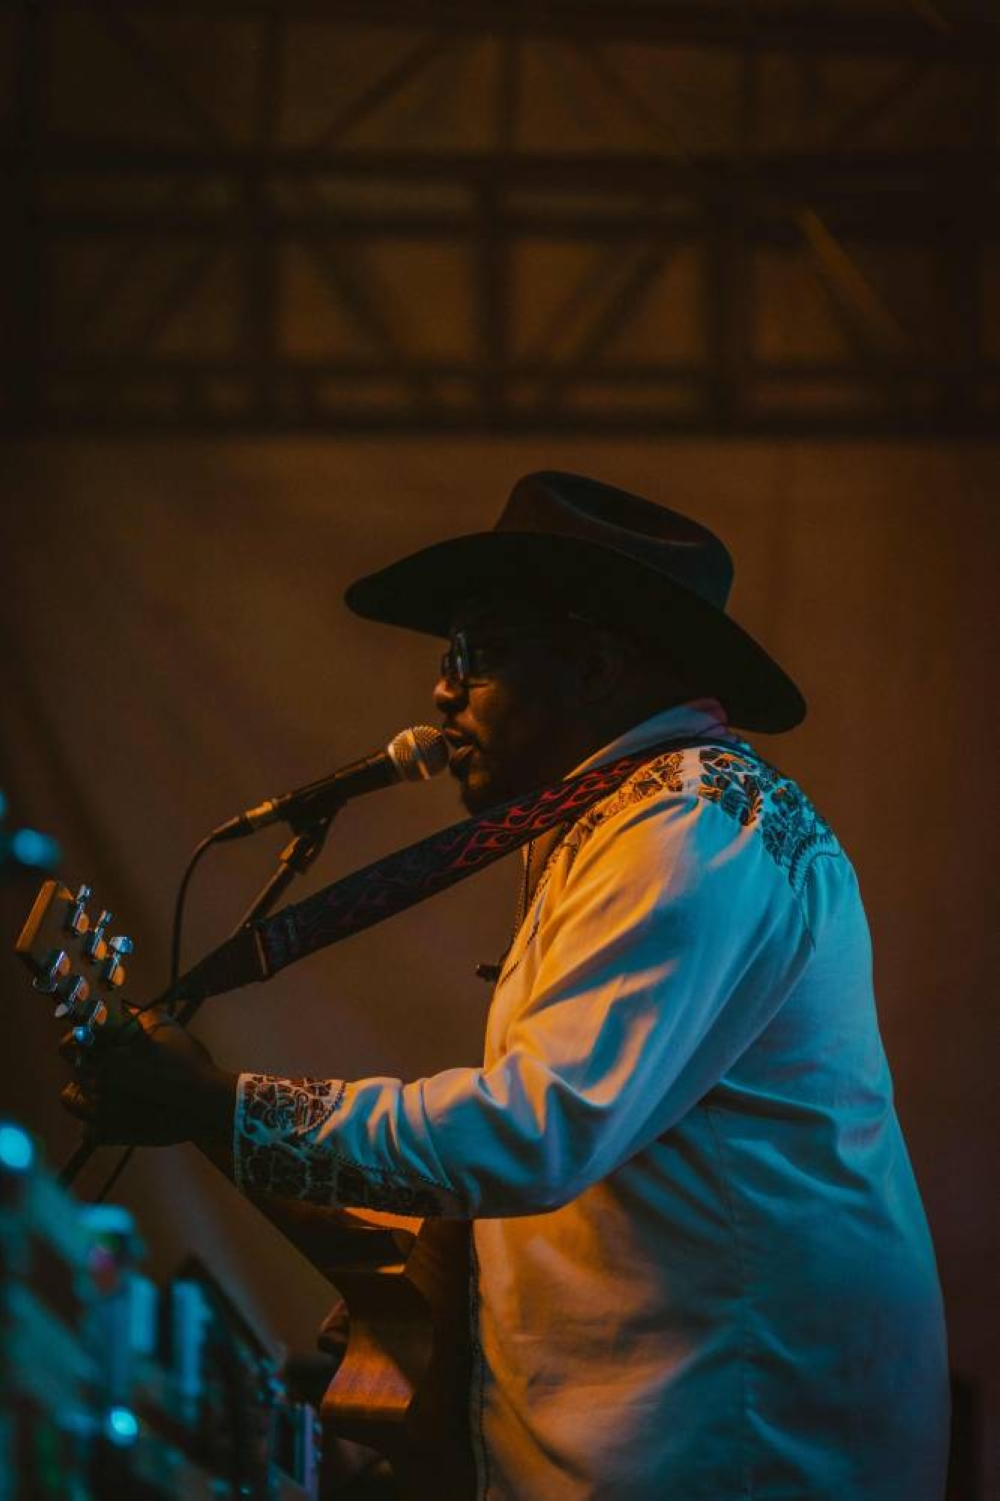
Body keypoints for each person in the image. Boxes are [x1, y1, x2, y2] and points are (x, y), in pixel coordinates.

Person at [63, 473, 950, 1499]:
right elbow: (601, 1146)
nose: (441, 691)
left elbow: (537, 1132)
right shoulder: (639, 815)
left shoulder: (690, 832)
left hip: (729, 1446)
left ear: (590, 664)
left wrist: (223, 1108)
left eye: (474, 653)